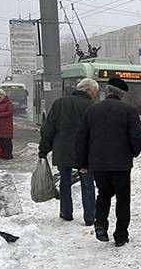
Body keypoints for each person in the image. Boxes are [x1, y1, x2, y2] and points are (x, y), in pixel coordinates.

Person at [75, 78, 141, 247]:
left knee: (103, 194)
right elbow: (139, 137)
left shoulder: (92, 110)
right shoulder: (128, 111)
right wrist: (131, 153)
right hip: (121, 165)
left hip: (98, 163)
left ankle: (100, 225)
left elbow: (81, 138)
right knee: (123, 199)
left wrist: (83, 163)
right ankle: (121, 235)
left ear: (106, 91)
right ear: (122, 94)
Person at [39, 78, 98, 225]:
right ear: (89, 90)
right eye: (95, 92)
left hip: (63, 150)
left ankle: (66, 212)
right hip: (84, 153)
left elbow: (48, 129)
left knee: (65, 182)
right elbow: (96, 133)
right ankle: (90, 217)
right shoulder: (91, 106)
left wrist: (43, 149)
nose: (96, 95)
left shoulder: (59, 104)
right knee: (87, 184)